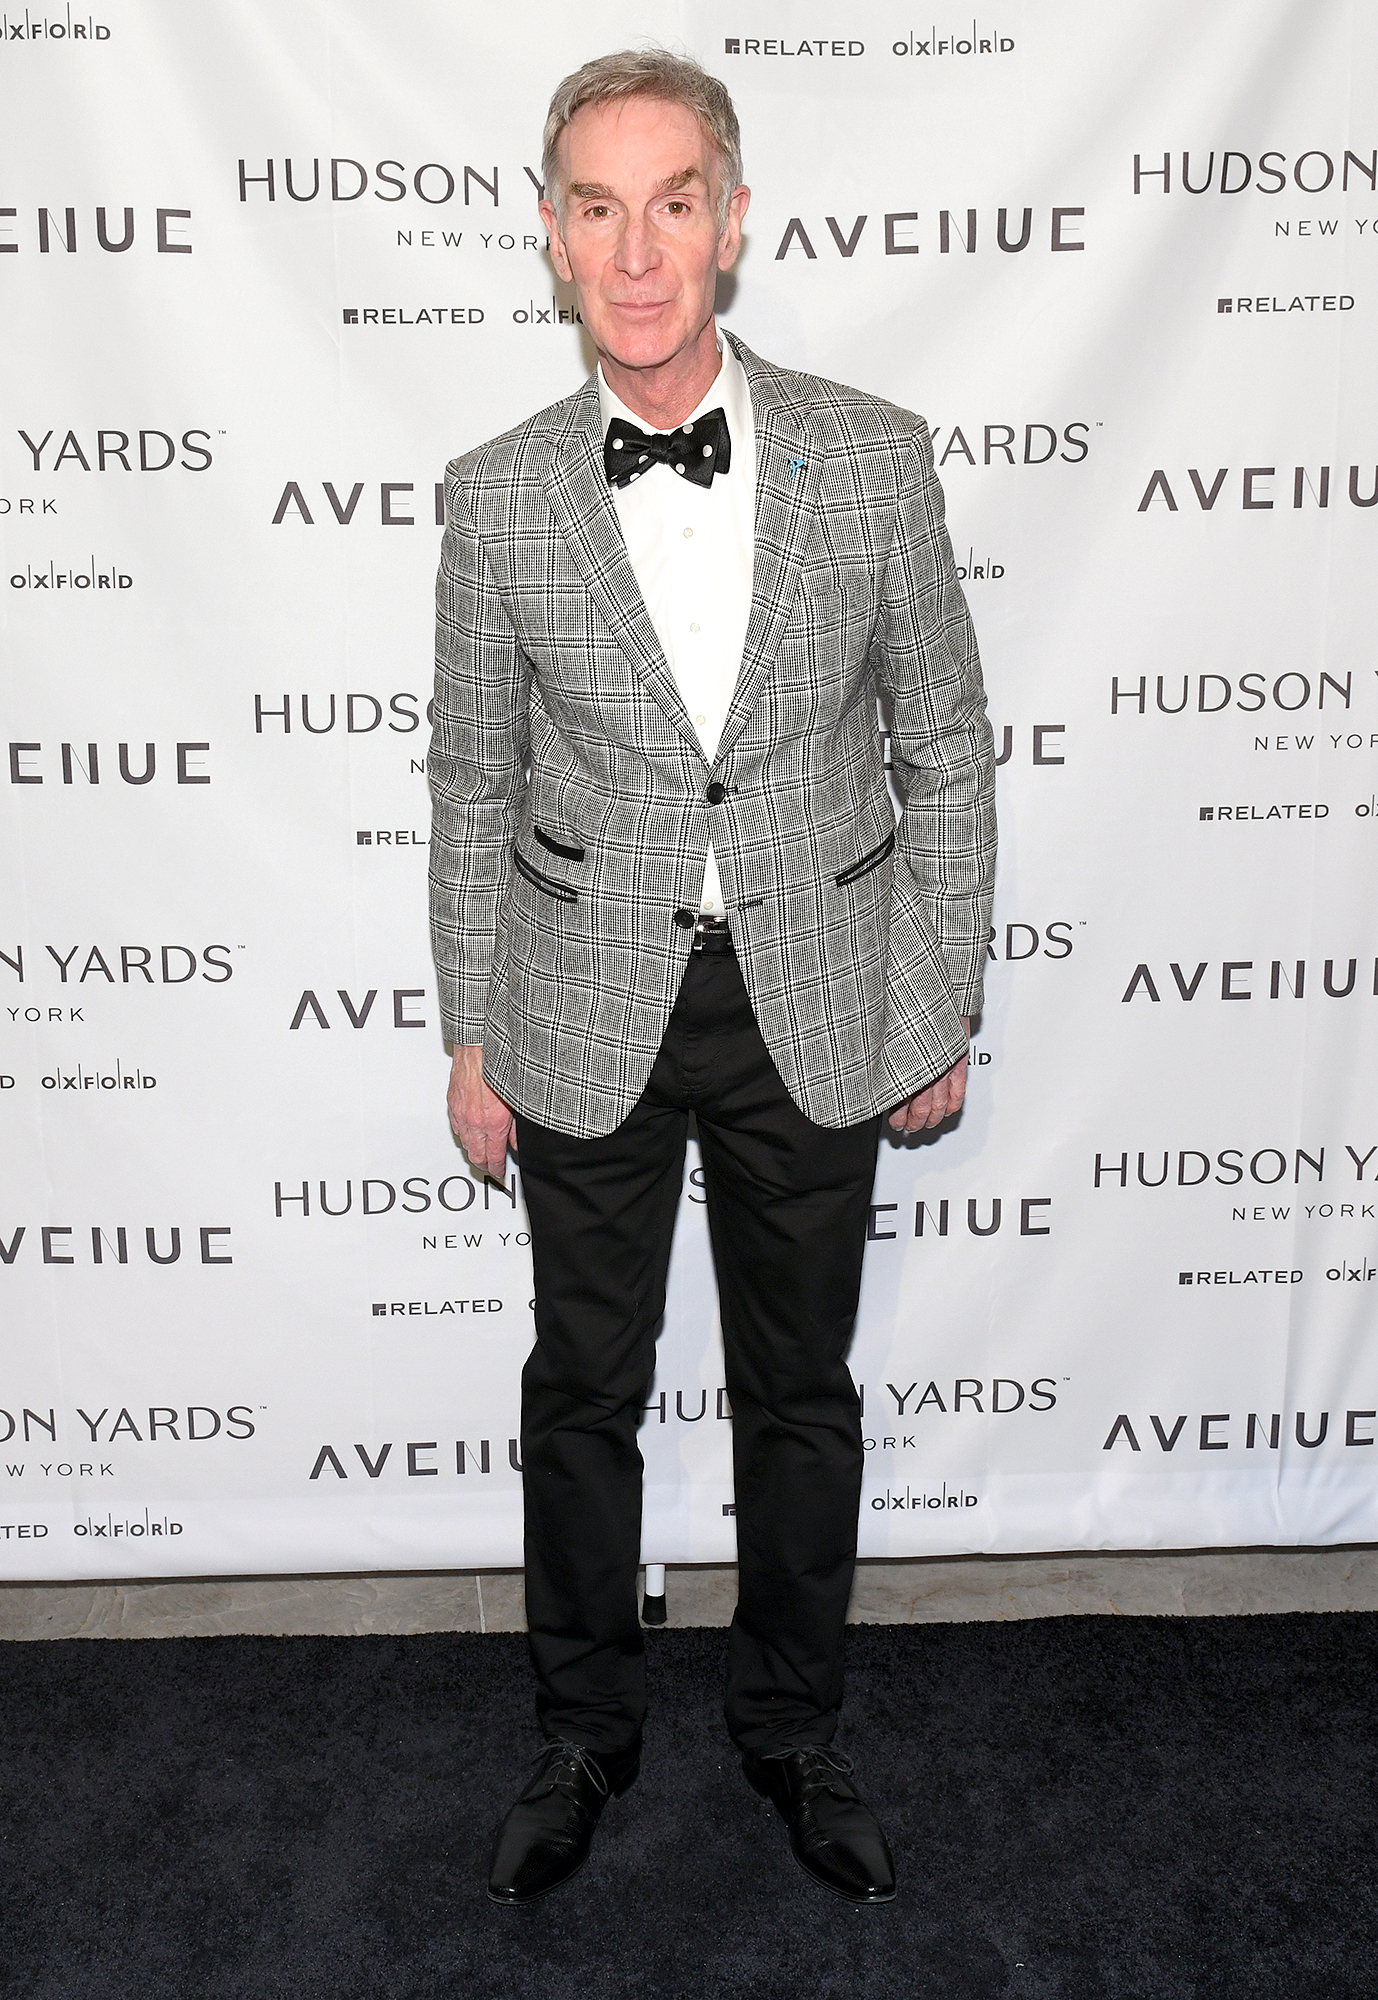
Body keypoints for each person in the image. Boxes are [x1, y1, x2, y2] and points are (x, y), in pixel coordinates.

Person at [429, 47, 996, 1907]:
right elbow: (472, 783)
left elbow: (942, 750)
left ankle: (793, 1730)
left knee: (798, 1394)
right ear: (551, 237)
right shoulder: (497, 494)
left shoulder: (875, 454)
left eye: (672, 203)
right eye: (596, 208)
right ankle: (580, 1734)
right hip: (577, 997)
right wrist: (471, 1027)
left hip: (813, 990)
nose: (636, 251)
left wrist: (934, 998)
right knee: (581, 1392)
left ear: (731, 222)